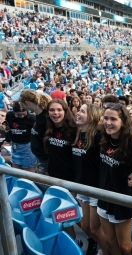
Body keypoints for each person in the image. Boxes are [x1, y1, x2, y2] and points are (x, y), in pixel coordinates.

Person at [97, 103, 132, 255]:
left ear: (123, 121)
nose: (108, 123)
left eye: (113, 119)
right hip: (103, 197)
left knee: (125, 245)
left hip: (123, 199)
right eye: (106, 118)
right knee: (110, 241)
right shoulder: (103, 139)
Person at [72, 103, 108, 255]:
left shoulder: (99, 137)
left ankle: (108, 251)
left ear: (92, 116)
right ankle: (104, 248)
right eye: (78, 110)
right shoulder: (79, 134)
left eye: (82, 111)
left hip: (96, 189)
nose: (78, 113)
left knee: (95, 228)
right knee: (86, 227)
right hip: (82, 187)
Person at [44, 99, 79, 241]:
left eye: (59, 110)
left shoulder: (74, 130)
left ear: (65, 111)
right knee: (62, 216)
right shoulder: (49, 128)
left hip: (71, 181)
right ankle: (74, 243)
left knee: (82, 221)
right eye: (52, 110)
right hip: (54, 178)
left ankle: (96, 244)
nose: (55, 113)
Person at [19, 90, 51, 175]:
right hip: (39, 158)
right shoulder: (37, 115)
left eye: (23, 105)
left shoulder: (45, 118)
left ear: (27, 103)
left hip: (45, 160)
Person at [4, 101, 36, 172]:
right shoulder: (9, 115)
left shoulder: (31, 118)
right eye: (18, 115)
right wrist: (8, 139)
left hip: (27, 147)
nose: (21, 116)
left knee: (28, 176)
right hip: (14, 146)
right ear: (14, 112)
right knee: (16, 173)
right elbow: (6, 126)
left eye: (24, 114)